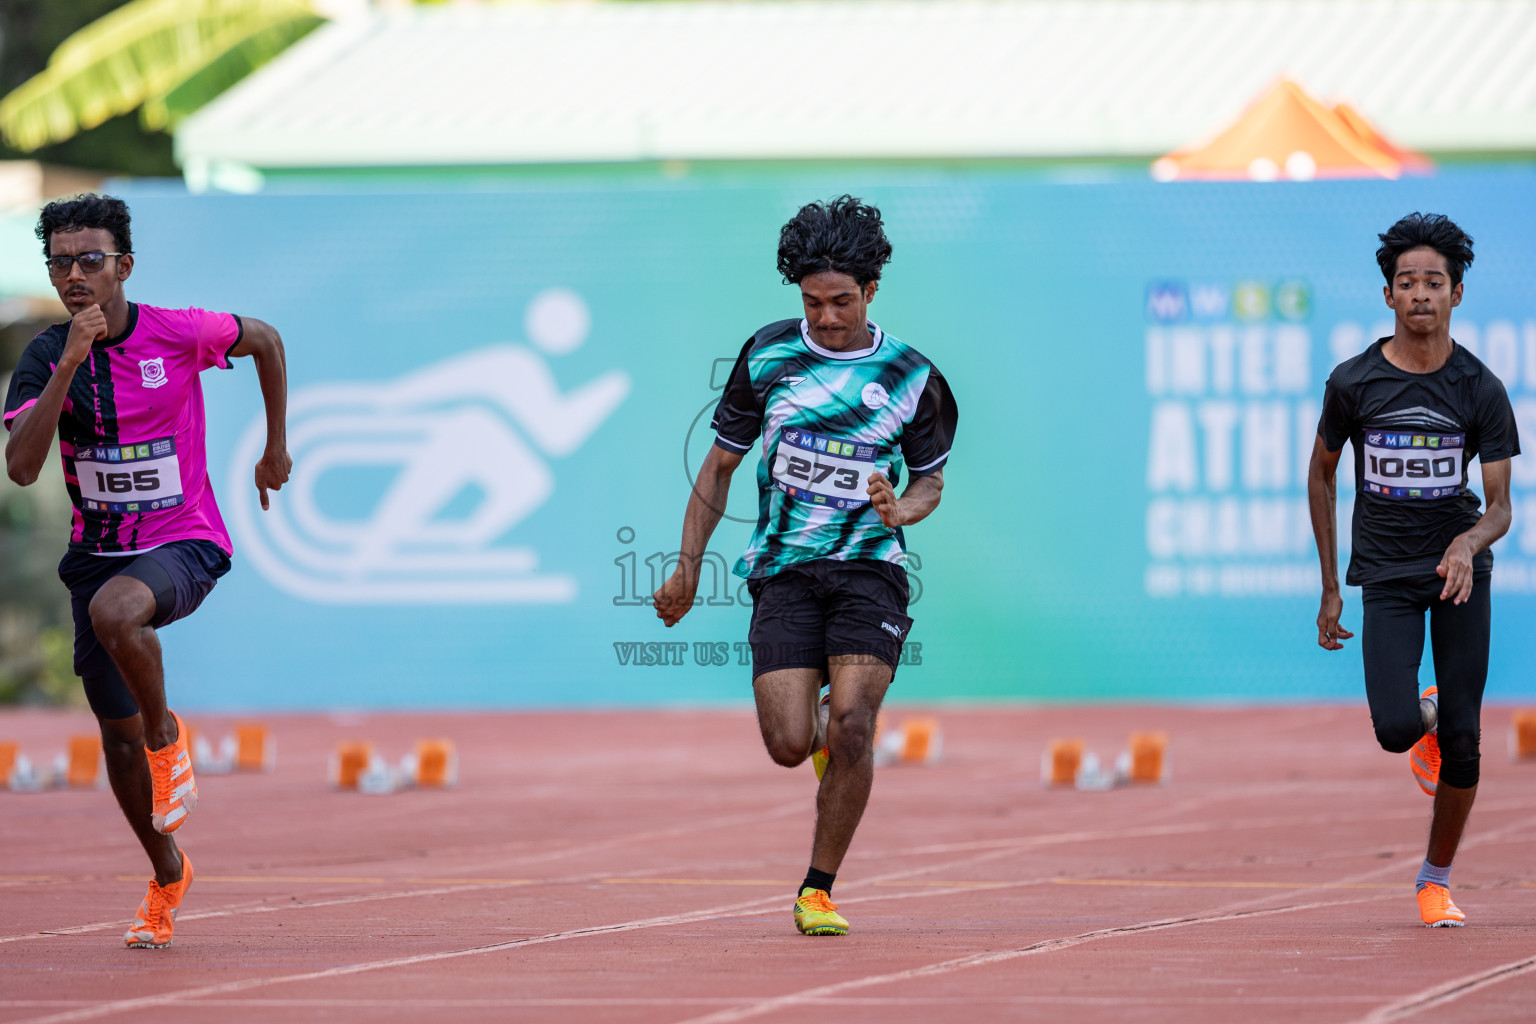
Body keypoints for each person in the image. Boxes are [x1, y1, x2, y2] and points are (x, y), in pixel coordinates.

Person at [654, 196, 957, 936]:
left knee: (853, 725)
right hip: (785, 572)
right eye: (812, 302)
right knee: (792, 744)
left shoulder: (915, 378)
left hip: (868, 568)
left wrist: (901, 511)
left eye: (841, 302)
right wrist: (686, 567)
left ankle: (817, 889)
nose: (825, 318)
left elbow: (930, 484)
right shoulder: (768, 355)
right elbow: (720, 468)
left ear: (872, 291)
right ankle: (822, 734)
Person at [3, 195, 291, 948]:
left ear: (123, 267)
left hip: (186, 540)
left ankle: (170, 741)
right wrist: (70, 359)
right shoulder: (43, 357)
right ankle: (168, 874)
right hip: (95, 556)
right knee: (115, 740)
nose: (74, 276)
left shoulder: (177, 332)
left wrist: (275, 446)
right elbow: (23, 466)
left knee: (117, 614)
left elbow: (263, 338)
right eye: (60, 263)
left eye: (90, 260)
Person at [1307, 212, 1518, 928]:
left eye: (1435, 282)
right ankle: (1423, 713)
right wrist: (1332, 584)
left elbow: (1499, 508)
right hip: (1389, 576)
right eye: (1407, 282)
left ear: (1457, 293)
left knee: (1464, 737)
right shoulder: (1354, 382)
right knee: (1399, 729)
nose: (1420, 293)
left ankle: (1435, 881)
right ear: (1388, 296)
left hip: (1460, 575)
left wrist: (1467, 545)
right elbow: (1322, 475)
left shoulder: (1480, 389)